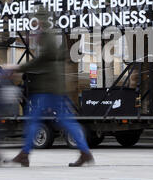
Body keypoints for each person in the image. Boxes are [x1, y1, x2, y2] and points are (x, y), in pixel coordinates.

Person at [7, 13, 94, 168]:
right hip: (52, 87)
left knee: (35, 119)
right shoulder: (46, 36)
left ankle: (25, 154)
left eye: (35, 20)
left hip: (47, 87)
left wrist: (19, 67)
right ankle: (85, 152)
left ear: (39, 20)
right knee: (65, 120)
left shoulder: (47, 36)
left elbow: (44, 59)